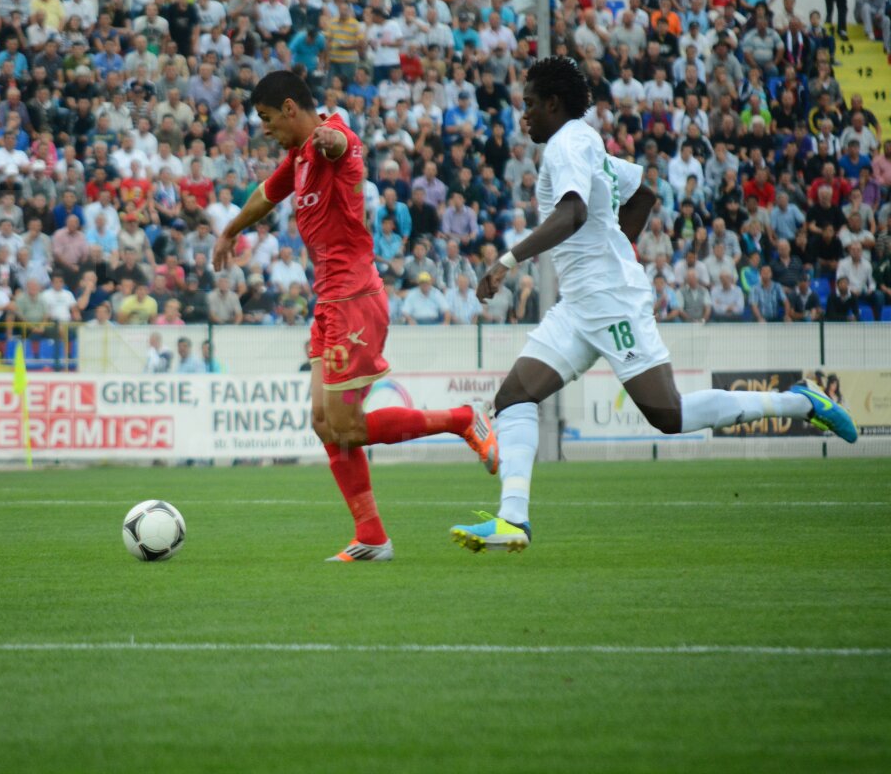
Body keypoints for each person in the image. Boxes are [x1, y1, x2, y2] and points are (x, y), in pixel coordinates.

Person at [451, 58, 857, 555]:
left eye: (530, 104)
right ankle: (513, 519)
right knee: (514, 398)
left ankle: (802, 402)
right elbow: (642, 193)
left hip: (609, 301)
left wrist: (507, 262)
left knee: (669, 415)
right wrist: (616, 254)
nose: (524, 115)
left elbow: (573, 211)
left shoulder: (565, 145)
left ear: (553, 104)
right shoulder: (585, 140)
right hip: (581, 303)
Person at [213, 71, 495, 563]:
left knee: (347, 426)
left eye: (266, 118)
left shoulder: (331, 140)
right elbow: (266, 194)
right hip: (328, 301)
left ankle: (464, 419)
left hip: (354, 298)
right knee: (324, 422)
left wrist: (331, 139)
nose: (265, 129)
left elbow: (341, 144)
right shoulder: (298, 158)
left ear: (289, 109)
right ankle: (371, 536)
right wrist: (230, 230)